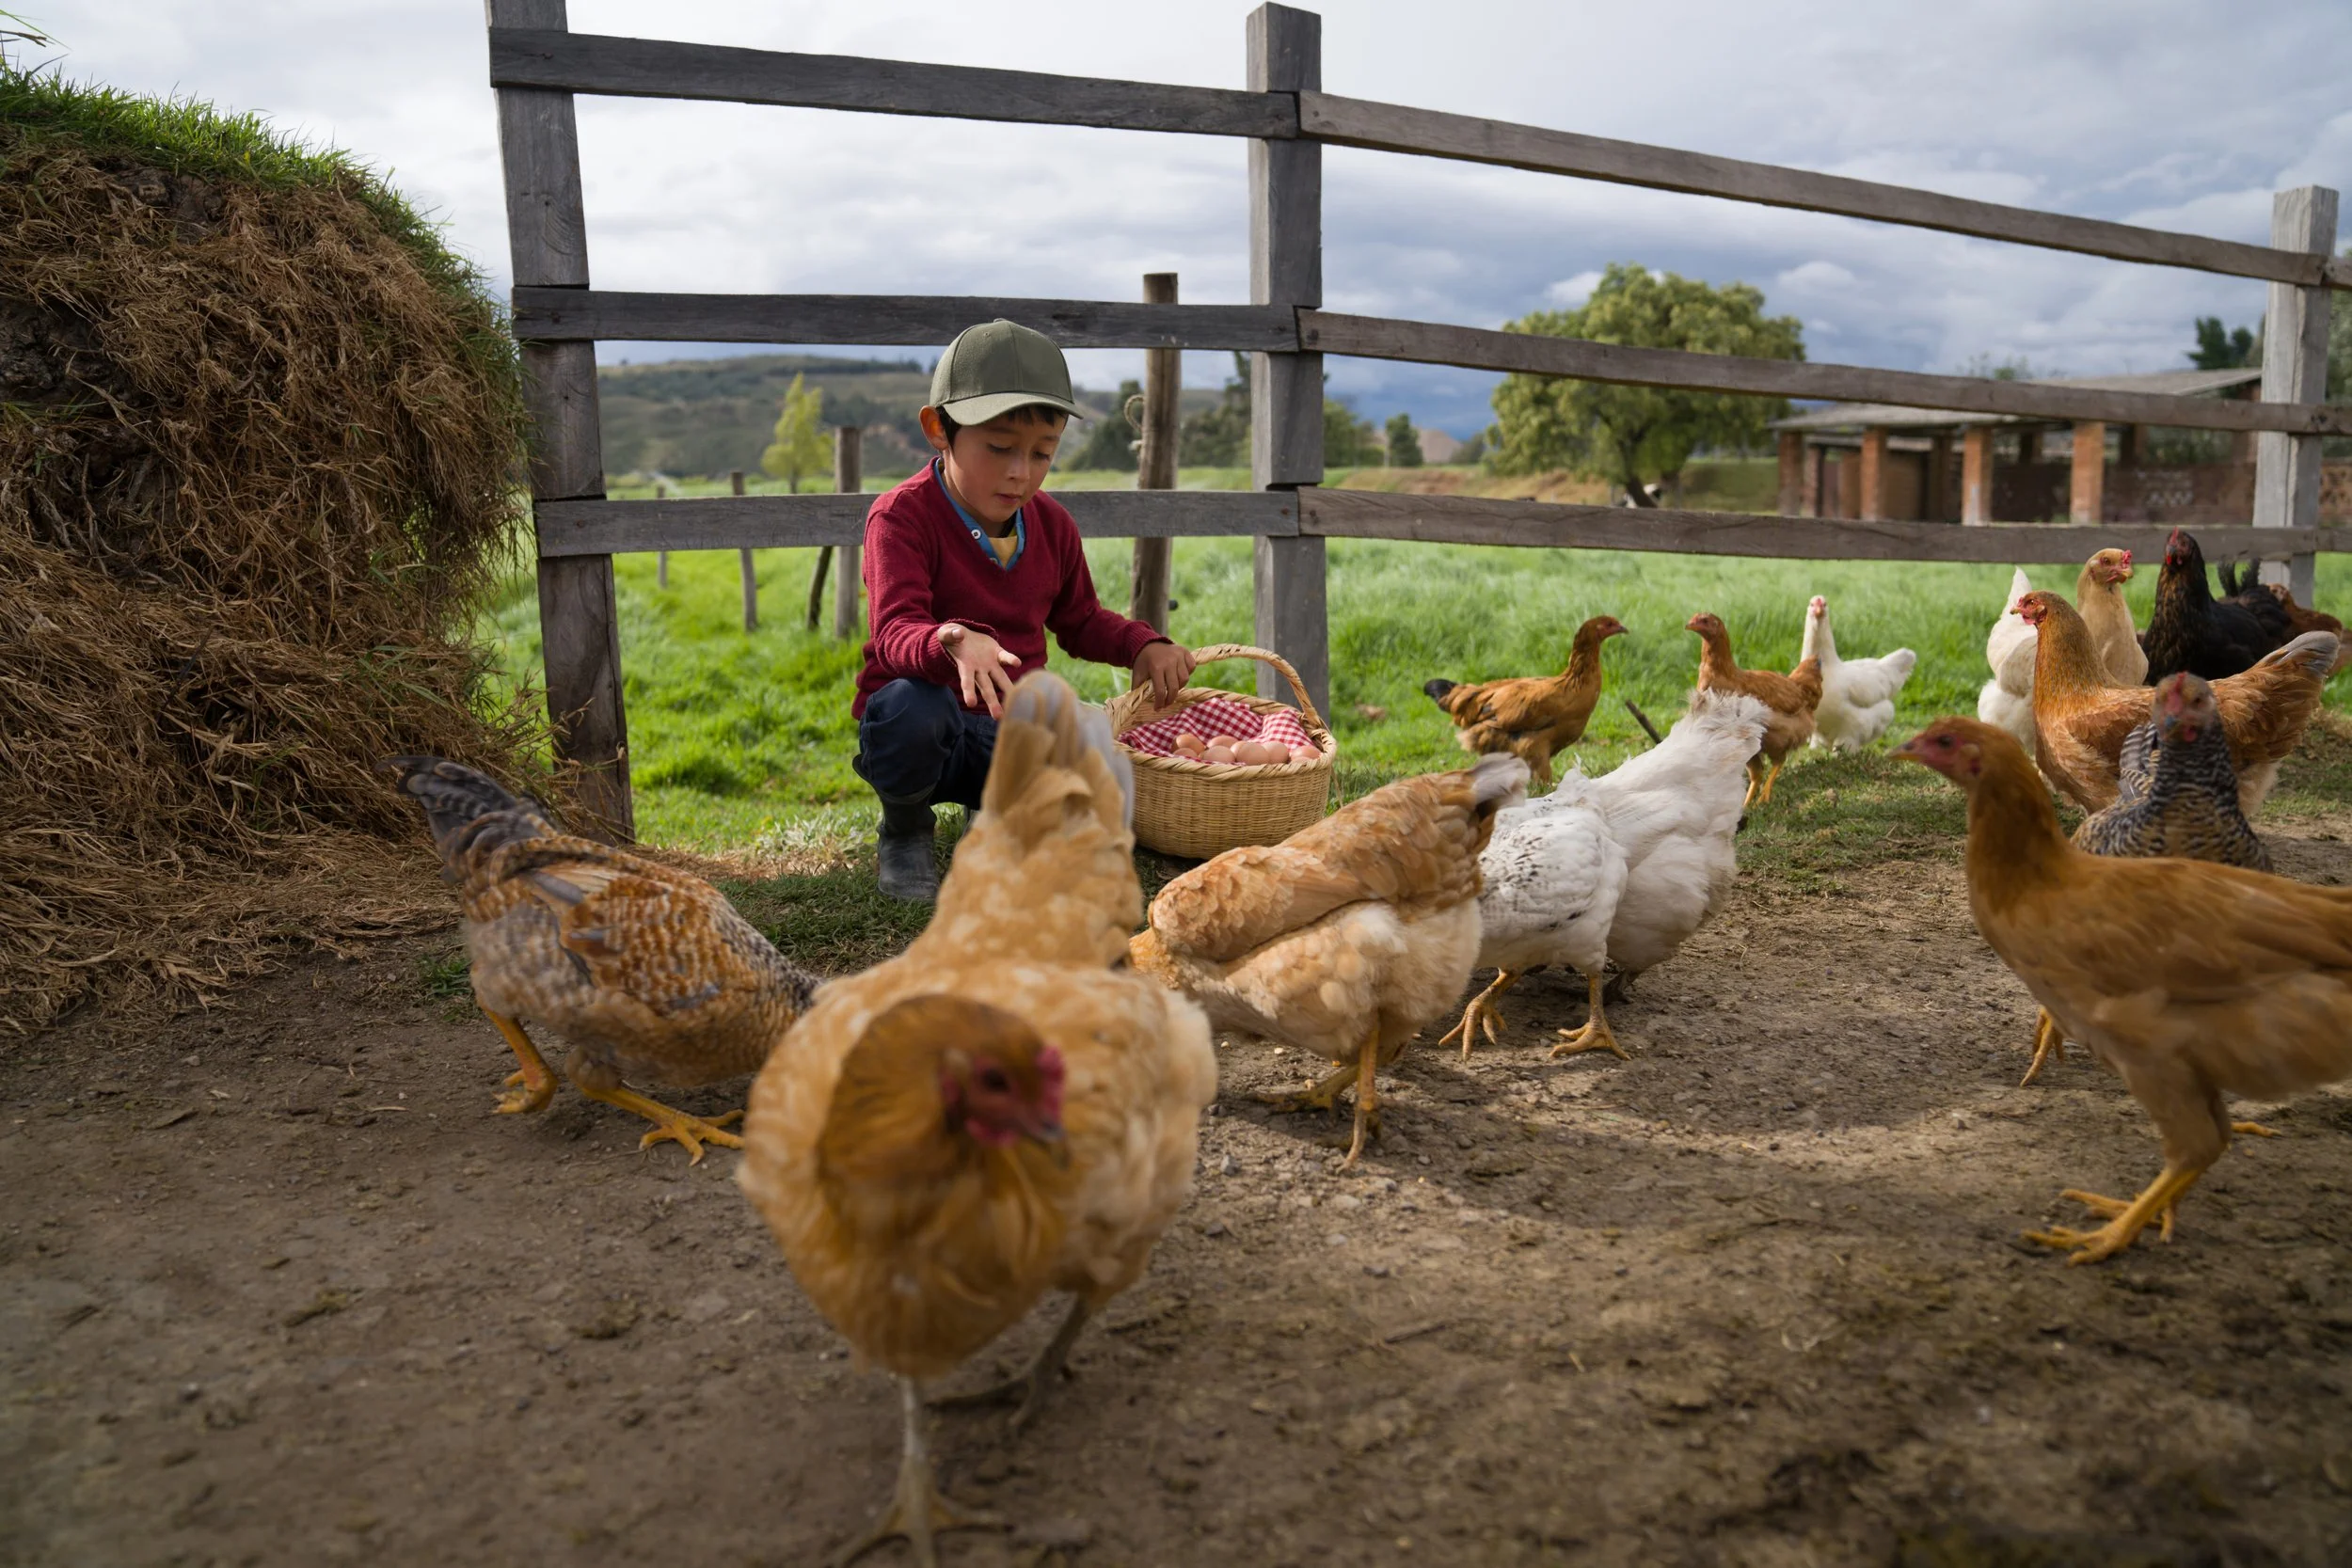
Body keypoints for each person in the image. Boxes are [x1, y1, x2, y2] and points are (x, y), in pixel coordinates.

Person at [851, 319, 1196, 901]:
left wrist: (1142, 643)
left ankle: (995, 813)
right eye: (999, 448)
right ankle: (905, 828)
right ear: (938, 429)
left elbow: (1081, 620)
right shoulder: (901, 517)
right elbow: (895, 631)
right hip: (925, 725)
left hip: (1008, 727)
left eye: (1042, 453)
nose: (1021, 472)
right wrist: (951, 640)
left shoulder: (1053, 526)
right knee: (910, 707)